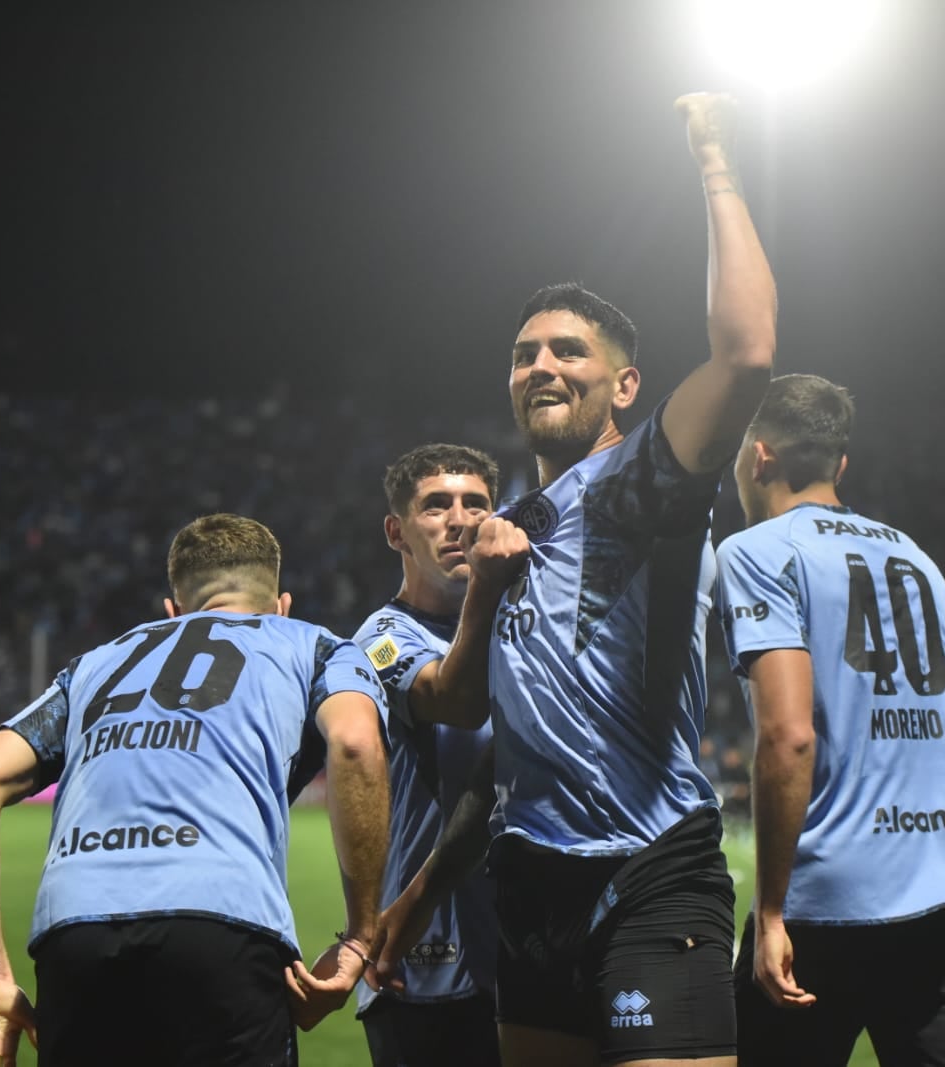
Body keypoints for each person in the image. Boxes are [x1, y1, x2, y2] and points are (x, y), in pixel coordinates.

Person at [378, 91, 776, 1067]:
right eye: (523, 355)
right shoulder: (508, 529)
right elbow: (500, 752)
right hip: (530, 884)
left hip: (652, 869)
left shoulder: (638, 486)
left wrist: (714, 161)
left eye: (567, 350)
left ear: (623, 385)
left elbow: (748, 351)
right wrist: (421, 890)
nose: (540, 366)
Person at [0, 513, 390, 1067]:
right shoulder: (316, 646)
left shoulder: (94, 666)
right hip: (221, 923)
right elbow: (354, 745)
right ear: (282, 606)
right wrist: (360, 937)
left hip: (74, 933)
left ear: (172, 612)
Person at [714, 373, 945, 1067]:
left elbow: (788, 737)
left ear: (757, 457)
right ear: (839, 464)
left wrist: (771, 911)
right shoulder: (921, 560)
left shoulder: (757, 550)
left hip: (827, 906)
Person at [352, 444, 526, 1067]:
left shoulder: (525, 624)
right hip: (426, 954)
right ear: (397, 531)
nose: (460, 519)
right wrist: (487, 584)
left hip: (529, 943)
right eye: (436, 506)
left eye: (476, 503)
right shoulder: (380, 637)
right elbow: (454, 701)